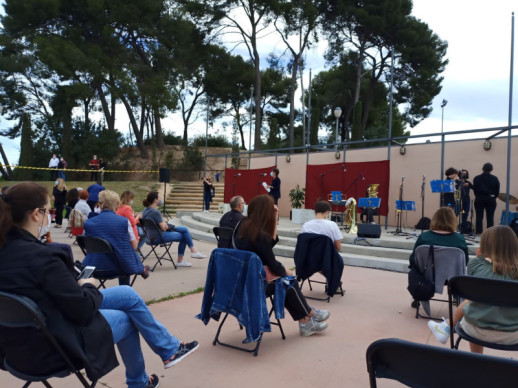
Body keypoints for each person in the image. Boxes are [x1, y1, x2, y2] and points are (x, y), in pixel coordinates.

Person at [0, 182, 199, 388]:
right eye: (50, 210)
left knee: (127, 294)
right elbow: (82, 310)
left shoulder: (8, 250)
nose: (51, 215)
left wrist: (70, 281)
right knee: (128, 319)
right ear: (35, 214)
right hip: (52, 349)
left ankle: (169, 350)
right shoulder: (44, 257)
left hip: (14, 347)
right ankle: (140, 381)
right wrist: (87, 284)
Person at [233, 194, 330, 337]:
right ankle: (309, 314)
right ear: (266, 213)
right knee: (288, 281)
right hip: (254, 287)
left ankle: (305, 321)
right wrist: (286, 271)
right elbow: (272, 264)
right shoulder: (259, 235)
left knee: (284, 282)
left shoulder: (242, 226)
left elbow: (266, 246)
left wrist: (275, 219)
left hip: (239, 282)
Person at [428, 225, 518, 353]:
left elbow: (479, 263)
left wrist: (480, 256)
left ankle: (476, 357)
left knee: (474, 299)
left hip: (476, 330)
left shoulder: (476, 266)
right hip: (513, 335)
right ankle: (446, 326)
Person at [83, 190, 150, 284]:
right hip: (119, 268)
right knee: (126, 252)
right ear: (118, 204)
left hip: (94, 268)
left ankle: (141, 269)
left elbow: (86, 249)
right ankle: (126, 287)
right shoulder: (124, 222)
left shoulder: (88, 223)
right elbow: (135, 246)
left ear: (100, 204)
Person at [141, 191, 206, 267]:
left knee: (184, 229)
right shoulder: (155, 212)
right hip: (158, 237)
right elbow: (164, 228)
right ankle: (183, 258)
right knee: (184, 236)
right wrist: (164, 224)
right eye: (159, 197)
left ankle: (193, 252)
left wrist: (164, 224)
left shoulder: (145, 211)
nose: (161, 199)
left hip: (149, 237)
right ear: (155, 200)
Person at [473, 162, 500, 235]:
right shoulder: (495, 178)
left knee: (479, 217)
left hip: (479, 198)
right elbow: (497, 191)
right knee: (490, 217)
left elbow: (475, 190)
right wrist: (493, 197)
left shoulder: (477, 178)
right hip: (490, 198)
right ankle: (490, 234)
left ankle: (479, 233)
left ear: (483, 168)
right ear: (491, 169)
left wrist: (479, 196)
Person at [458, 169, 473, 234]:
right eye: (463, 173)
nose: (464, 174)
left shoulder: (468, 182)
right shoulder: (457, 181)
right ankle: (458, 229)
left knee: (465, 214)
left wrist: (469, 185)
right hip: (460, 200)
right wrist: (461, 185)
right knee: (458, 213)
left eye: (465, 173)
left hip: (466, 200)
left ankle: (464, 230)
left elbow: (474, 188)